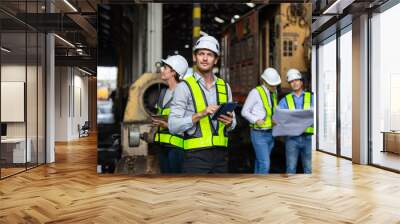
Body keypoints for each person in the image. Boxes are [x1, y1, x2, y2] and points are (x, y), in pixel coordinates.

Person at [168, 35, 236, 174]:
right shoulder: (184, 87)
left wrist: (230, 123)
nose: (205, 58)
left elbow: (233, 123)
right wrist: (200, 114)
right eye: (201, 54)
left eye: (210, 55)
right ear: (194, 57)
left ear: (216, 60)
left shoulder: (225, 87)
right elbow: (173, 126)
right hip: (195, 158)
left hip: (221, 158)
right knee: (195, 196)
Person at [152, 55, 188, 173]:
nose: (162, 69)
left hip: (176, 146)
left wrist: (167, 125)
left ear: (173, 72)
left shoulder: (184, 92)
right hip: (162, 145)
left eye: (166, 67)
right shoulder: (163, 92)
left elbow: (187, 122)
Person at [241, 68, 281, 174]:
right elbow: (244, 111)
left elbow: (271, 110)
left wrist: (275, 119)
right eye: (272, 84)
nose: (274, 86)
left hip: (270, 133)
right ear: (265, 81)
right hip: (259, 134)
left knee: (260, 162)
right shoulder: (255, 92)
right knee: (265, 164)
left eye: (276, 84)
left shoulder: (274, 92)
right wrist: (255, 120)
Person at [278, 68, 314, 174]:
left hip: (309, 138)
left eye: (296, 80)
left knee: (309, 169)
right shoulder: (285, 100)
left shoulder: (311, 97)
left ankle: (310, 190)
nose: (294, 83)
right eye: (291, 81)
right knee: (291, 169)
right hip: (292, 139)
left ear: (301, 82)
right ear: (289, 84)